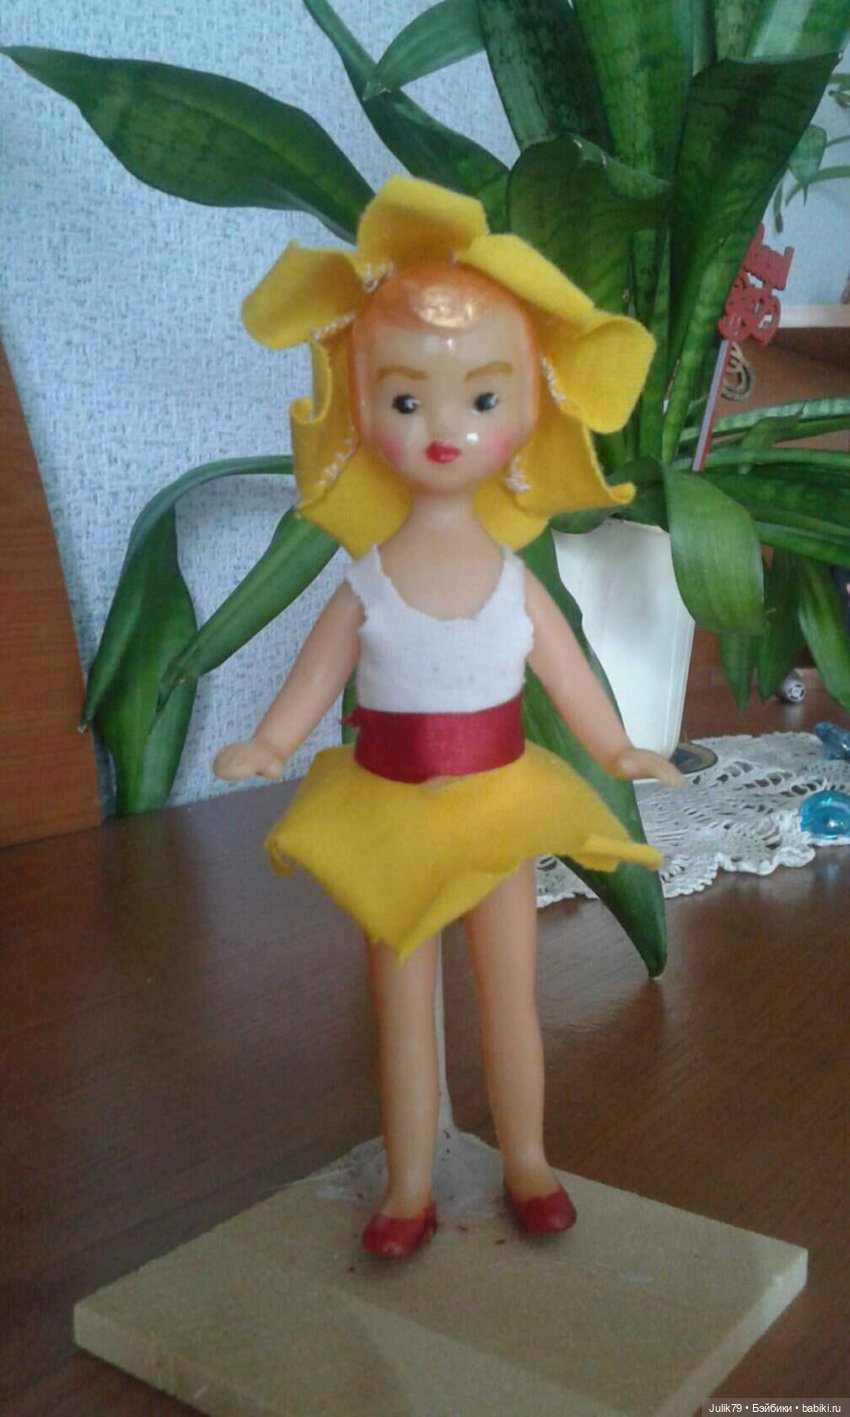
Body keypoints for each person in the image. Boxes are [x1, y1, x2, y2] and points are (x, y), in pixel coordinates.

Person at [214, 176, 682, 1259]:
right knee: (401, 1002)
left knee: (510, 997)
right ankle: (410, 1180)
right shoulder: (368, 579)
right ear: (358, 403)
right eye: (405, 400)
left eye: (480, 399)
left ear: (527, 410)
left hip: (497, 806)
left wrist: (616, 747)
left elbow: (569, 675)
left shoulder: (512, 577)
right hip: (386, 810)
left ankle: (528, 1159)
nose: (442, 430)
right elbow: (317, 675)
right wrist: (272, 741)